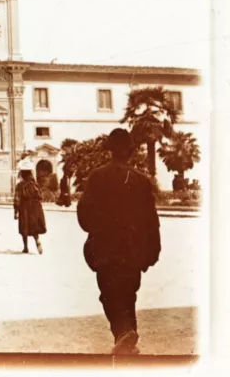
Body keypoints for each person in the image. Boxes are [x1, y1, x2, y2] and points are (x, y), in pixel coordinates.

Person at [77, 128, 161, 356]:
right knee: (128, 293)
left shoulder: (97, 176)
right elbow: (151, 219)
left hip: (105, 247)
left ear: (110, 151)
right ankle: (128, 337)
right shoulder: (141, 180)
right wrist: (153, 249)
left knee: (109, 293)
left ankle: (123, 332)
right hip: (133, 249)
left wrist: (95, 229)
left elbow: (84, 213)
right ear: (131, 151)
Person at [14, 160, 47, 254]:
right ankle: (37, 240)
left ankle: (25, 247)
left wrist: (16, 211)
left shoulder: (20, 185)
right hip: (35, 206)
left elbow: (17, 198)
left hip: (24, 206)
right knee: (33, 225)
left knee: (24, 226)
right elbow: (40, 196)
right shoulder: (35, 184)